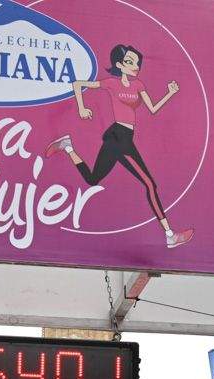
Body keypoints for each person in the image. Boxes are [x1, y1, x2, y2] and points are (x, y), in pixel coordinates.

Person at [45, 45, 194, 249]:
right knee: (150, 184)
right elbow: (78, 84)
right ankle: (169, 235)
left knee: (92, 179)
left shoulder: (139, 85)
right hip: (118, 136)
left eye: (137, 63)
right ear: (119, 65)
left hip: (124, 138)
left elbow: (153, 109)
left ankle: (68, 146)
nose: (136, 67)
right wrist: (81, 108)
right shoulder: (111, 84)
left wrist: (169, 93)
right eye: (130, 62)